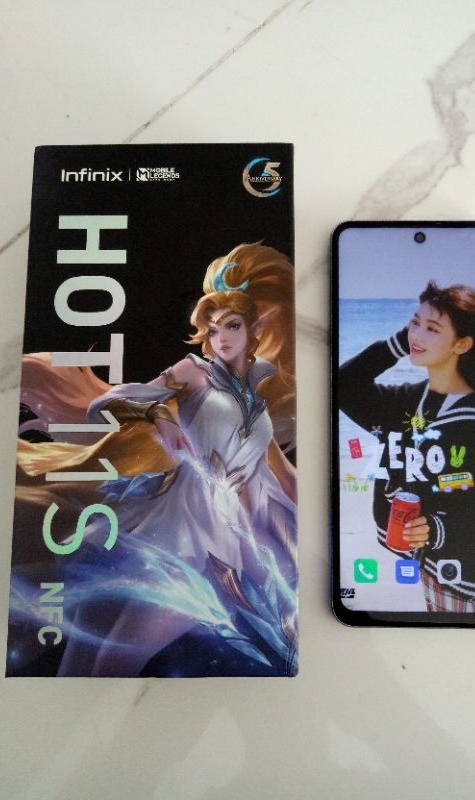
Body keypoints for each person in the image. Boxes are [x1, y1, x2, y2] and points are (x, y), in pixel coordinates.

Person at [17, 242, 298, 676]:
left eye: (232, 326)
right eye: (213, 329)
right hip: (177, 538)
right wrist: (160, 416)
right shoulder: (193, 372)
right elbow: (109, 403)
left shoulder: (255, 395)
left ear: (256, 328)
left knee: (100, 659)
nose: (220, 338)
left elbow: (280, 478)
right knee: (103, 659)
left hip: (224, 543)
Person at [338, 280, 475, 614]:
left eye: (432, 329)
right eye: (414, 323)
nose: (417, 335)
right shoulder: (411, 402)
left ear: (462, 344)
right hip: (436, 574)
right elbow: (343, 386)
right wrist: (399, 344)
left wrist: (436, 530)